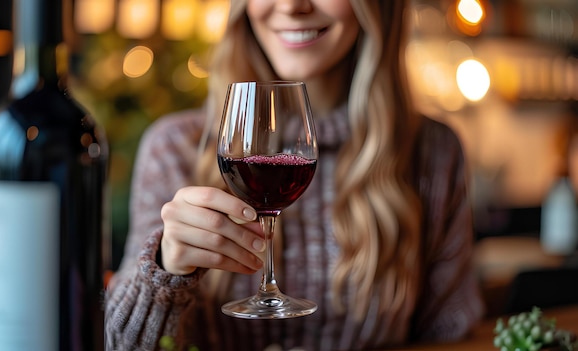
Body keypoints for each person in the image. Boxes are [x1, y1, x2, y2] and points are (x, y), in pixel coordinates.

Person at [104, 0, 485, 350]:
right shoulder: (175, 147)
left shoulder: (432, 152)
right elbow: (119, 344)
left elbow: (449, 335)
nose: (291, 6)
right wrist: (166, 271)